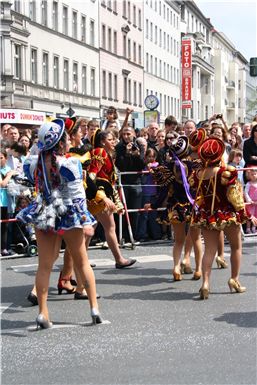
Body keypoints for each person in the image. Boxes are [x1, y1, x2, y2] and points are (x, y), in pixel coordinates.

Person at [17, 119, 102, 328]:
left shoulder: (32, 162)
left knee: (44, 266)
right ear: (61, 143)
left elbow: (28, 177)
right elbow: (77, 196)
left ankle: (43, 313)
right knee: (82, 261)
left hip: (45, 212)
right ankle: (94, 308)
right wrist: (85, 220)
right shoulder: (70, 164)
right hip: (67, 213)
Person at [190, 137, 249, 299]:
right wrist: (245, 213)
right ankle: (234, 279)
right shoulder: (225, 172)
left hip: (208, 214)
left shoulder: (199, 173)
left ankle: (205, 284)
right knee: (236, 247)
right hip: (226, 213)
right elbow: (234, 197)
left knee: (209, 250)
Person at [88, 129, 137, 268]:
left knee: (90, 228)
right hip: (99, 196)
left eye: (114, 139)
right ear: (103, 142)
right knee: (109, 227)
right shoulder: (100, 152)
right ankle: (119, 259)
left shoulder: (108, 154)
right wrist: (100, 196)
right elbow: (92, 176)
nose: (114, 141)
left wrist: (118, 203)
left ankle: (80, 259)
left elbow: (111, 182)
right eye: (110, 139)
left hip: (101, 195)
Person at [0, 148, 18, 256]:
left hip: (8, 202)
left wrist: (12, 173)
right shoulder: (9, 172)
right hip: (0, 202)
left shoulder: (8, 168)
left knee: (6, 226)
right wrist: (9, 175)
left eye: (1, 158)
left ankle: (4, 248)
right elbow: (2, 184)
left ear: (6, 158)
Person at [244, 168, 257, 234]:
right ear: (249, 175)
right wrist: (249, 200)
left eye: (255, 174)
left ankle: (254, 228)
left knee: (256, 215)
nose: (254, 175)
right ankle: (248, 229)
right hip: (251, 203)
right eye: (252, 174)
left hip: (256, 203)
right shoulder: (248, 184)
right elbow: (245, 192)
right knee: (250, 216)